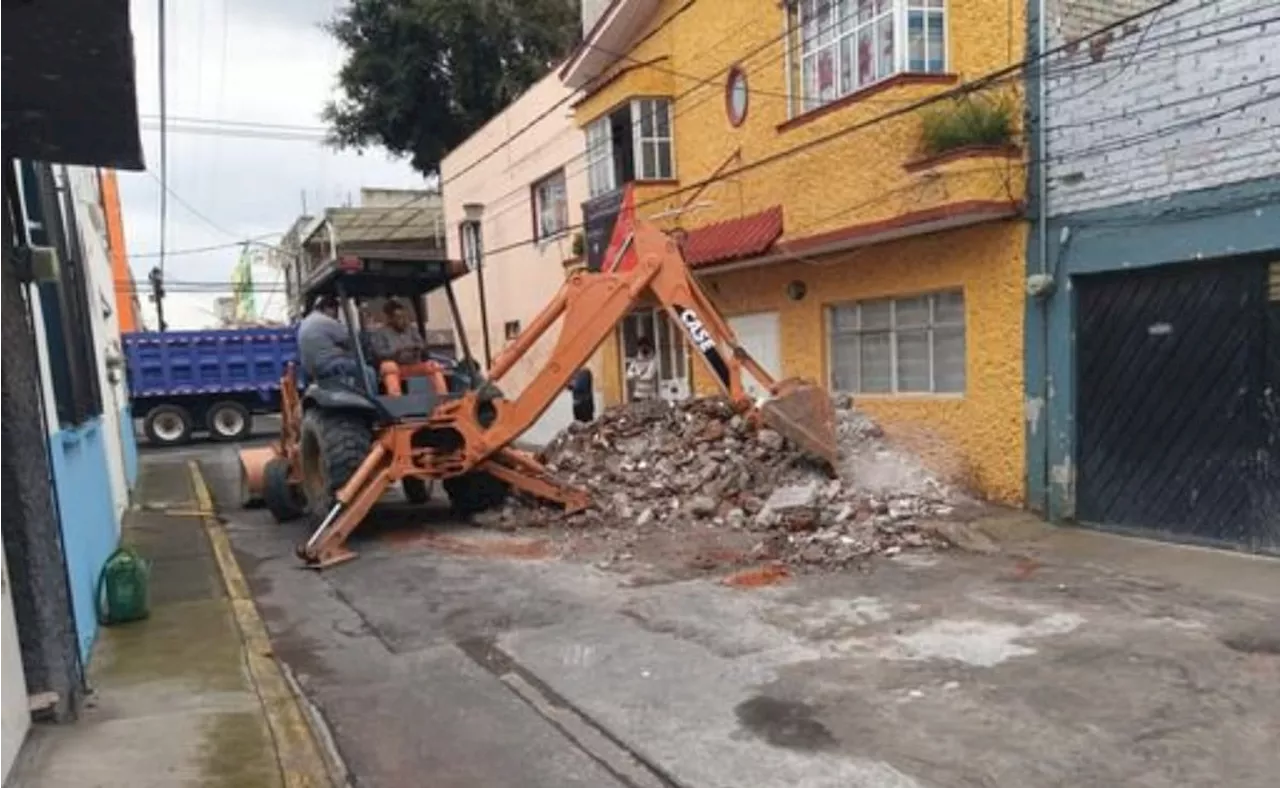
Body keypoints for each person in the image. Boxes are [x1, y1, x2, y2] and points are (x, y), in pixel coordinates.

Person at [296, 295, 377, 392]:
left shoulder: (307, 321)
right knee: (368, 372)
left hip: (312, 369)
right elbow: (351, 339)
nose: (336, 315)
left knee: (351, 362)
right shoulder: (325, 321)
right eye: (336, 311)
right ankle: (373, 402)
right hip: (328, 365)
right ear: (328, 308)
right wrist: (367, 329)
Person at [371, 299, 427, 365]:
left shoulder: (412, 330)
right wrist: (397, 352)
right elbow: (379, 354)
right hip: (394, 367)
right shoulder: (380, 333)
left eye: (405, 317)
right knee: (389, 369)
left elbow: (422, 344)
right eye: (399, 317)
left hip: (414, 364)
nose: (404, 320)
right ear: (390, 318)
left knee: (436, 369)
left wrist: (416, 347)